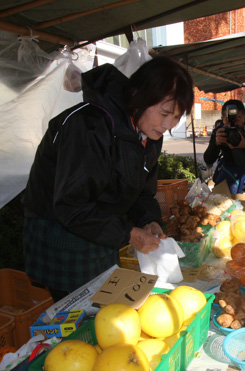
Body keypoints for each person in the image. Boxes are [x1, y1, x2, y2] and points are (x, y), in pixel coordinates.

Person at [22, 57, 194, 301]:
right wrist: (129, 234)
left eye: (176, 117)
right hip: (61, 234)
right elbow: (71, 205)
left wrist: (149, 220)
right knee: (77, 311)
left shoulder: (148, 134)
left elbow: (142, 192)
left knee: (105, 301)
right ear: (138, 97)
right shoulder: (89, 125)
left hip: (103, 228)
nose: (168, 125)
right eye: (164, 112)